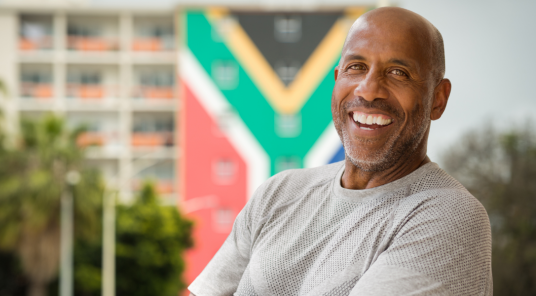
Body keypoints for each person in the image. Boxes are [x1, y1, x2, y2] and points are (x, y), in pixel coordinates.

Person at [189, 7, 492, 296]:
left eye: (398, 72)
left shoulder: (449, 216)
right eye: (356, 67)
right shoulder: (278, 194)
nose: (369, 89)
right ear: (336, 81)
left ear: (438, 99)